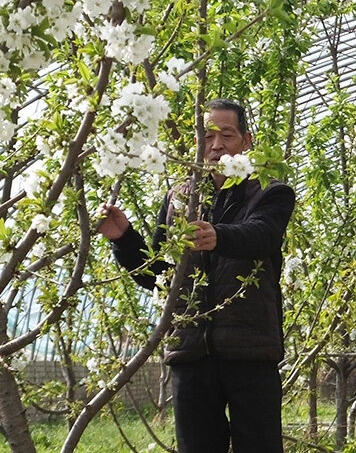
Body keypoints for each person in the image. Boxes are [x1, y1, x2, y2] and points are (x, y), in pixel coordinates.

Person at [98, 99, 295, 453]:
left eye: (227, 135)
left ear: (246, 140)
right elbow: (159, 275)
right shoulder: (179, 197)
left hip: (250, 350)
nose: (216, 145)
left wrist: (219, 236)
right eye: (206, 136)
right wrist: (125, 240)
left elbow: (262, 234)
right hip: (189, 353)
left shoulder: (270, 191)